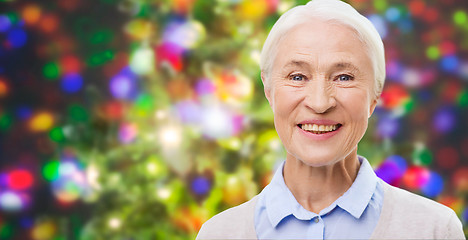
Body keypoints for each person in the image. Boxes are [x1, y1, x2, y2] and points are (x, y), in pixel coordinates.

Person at [196, 0, 465, 239]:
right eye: (297, 77)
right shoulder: (219, 234)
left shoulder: (434, 230)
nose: (320, 102)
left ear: (375, 94)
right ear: (269, 89)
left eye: (344, 77)